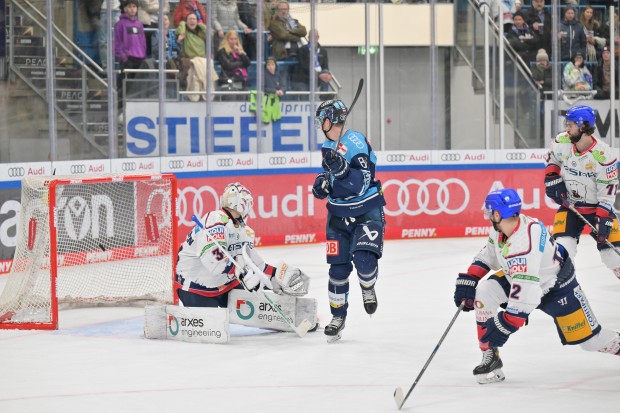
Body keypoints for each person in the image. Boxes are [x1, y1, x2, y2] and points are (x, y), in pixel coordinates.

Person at [453, 188, 620, 385]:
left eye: (490, 212)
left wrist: (504, 325)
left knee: (592, 342)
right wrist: (471, 277)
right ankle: (490, 356)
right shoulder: (502, 229)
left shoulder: (524, 243)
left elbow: (527, 295)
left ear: (498, 214)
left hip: (557, 288)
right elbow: (489, 254)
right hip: (521, 280)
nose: (488, 216)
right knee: (485, 291)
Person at [311, 99, 386, 343]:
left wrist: (342, 169)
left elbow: (361, 183)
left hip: (366, 209)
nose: (319, 124)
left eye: (321, 119)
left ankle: (367, 286)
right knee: (338, 270)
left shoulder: (355, 142)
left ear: (329, 119)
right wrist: (322, 184)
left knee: (364, 262)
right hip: (338, 214)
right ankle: (338, 317)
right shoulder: (327, 144)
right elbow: (332, 176)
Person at [176, 182, 310, 308]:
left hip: (225, 285)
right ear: (242, 204)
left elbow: (255, 264)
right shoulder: (215, 219)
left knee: (255, 300)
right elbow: (214, 263)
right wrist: (242, 273)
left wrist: (275, 276)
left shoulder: (244, 230)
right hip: (194, 286)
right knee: (212, 326)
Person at [544, 105, 620, 280]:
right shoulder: (561, 142)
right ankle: (559, 283)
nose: (567, 128)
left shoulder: (602, 154)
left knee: (612, 255)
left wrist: (603, 216)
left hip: (597, 209)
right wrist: (552, 176)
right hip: (570, 206)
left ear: (584, 127)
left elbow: (607, 189)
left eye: (570, 125)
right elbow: (552, 160)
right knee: (562, 250)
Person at [114, 0, 147, 105]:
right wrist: (123, 57)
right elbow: (117, 42)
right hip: (128, 60)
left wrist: (143, 55)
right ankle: (120, 109)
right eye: (129, 6)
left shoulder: (139, 24)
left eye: (134, 6)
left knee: (139, 87)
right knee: (125, 87)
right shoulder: (120, 24)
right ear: (125, 9)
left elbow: (143, 41)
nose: (132, 9)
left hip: (140, 59)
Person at [291, 29, 333, 98]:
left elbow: (325, 66)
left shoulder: (323, 51)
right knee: (305, 97)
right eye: (312, 37)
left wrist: (327, 75)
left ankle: (324, 95)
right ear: (308, 38)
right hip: (304, 78)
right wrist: (319, 74)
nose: (314, 39)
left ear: (318, 37)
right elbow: (304, 66)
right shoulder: (302, 50)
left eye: (315, 37)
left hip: (317, 77)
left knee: (326, 72)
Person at [176, 12, 208, 90]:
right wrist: (183, 23)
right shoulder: (185, 31)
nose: (192, 21)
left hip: (202, 60)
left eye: (194, 19)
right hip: (189, 59)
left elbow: (210, 34)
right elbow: (179, 32)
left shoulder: (201, 32)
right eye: (190, 19)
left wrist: (202, 25)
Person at [217, 30, 251, 95]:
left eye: (235, 39)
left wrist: (241, 53)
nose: (234, 41)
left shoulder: (240, 51)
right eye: (231, 39)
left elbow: (248, 63)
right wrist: (241, 63)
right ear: (227, 40)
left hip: (241, 81)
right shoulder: (222, 51)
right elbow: (228, 65)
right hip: (228, 81)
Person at [97, 0, 121, 70]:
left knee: (118, 40)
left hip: (116, 10)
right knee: (103, 41)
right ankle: (106, 67)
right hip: (104, 10)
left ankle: (119, 65)